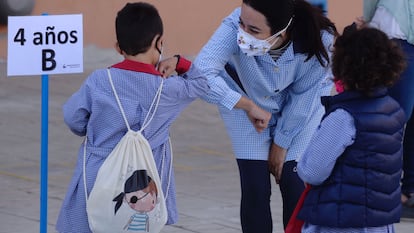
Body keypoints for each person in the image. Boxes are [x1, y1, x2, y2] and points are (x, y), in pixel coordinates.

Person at [55, 2, 209, 232]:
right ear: (159, 42)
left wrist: (94, 130)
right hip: (147, 180)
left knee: (91, 220)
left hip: (99, 173)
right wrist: (179, 61)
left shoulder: (100, 81)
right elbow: (202, 84)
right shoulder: (168, 89)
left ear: (118, 47)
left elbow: (73, 116)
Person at [193, 0, 338, 232]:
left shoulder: (320, 39)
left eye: (254, 31)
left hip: (301, 110)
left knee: (294, 181)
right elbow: (199, 75)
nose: (243, 33)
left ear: (283, 30)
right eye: (242, 24)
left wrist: (281, 144)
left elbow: (302, 101)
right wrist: (245, 105)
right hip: (245, 104)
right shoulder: (236, 23)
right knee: (255, 185)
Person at [297, 24, 407, 233]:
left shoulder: (343, 117)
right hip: (379, 223)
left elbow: (312, 172)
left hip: (341, 221)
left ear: (343, 66)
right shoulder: (393, 110)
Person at [360, 0, 414, 209]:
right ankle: (381, 190)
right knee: (393, 121)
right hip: (395, 40)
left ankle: (408, 190)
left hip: (396, 40)